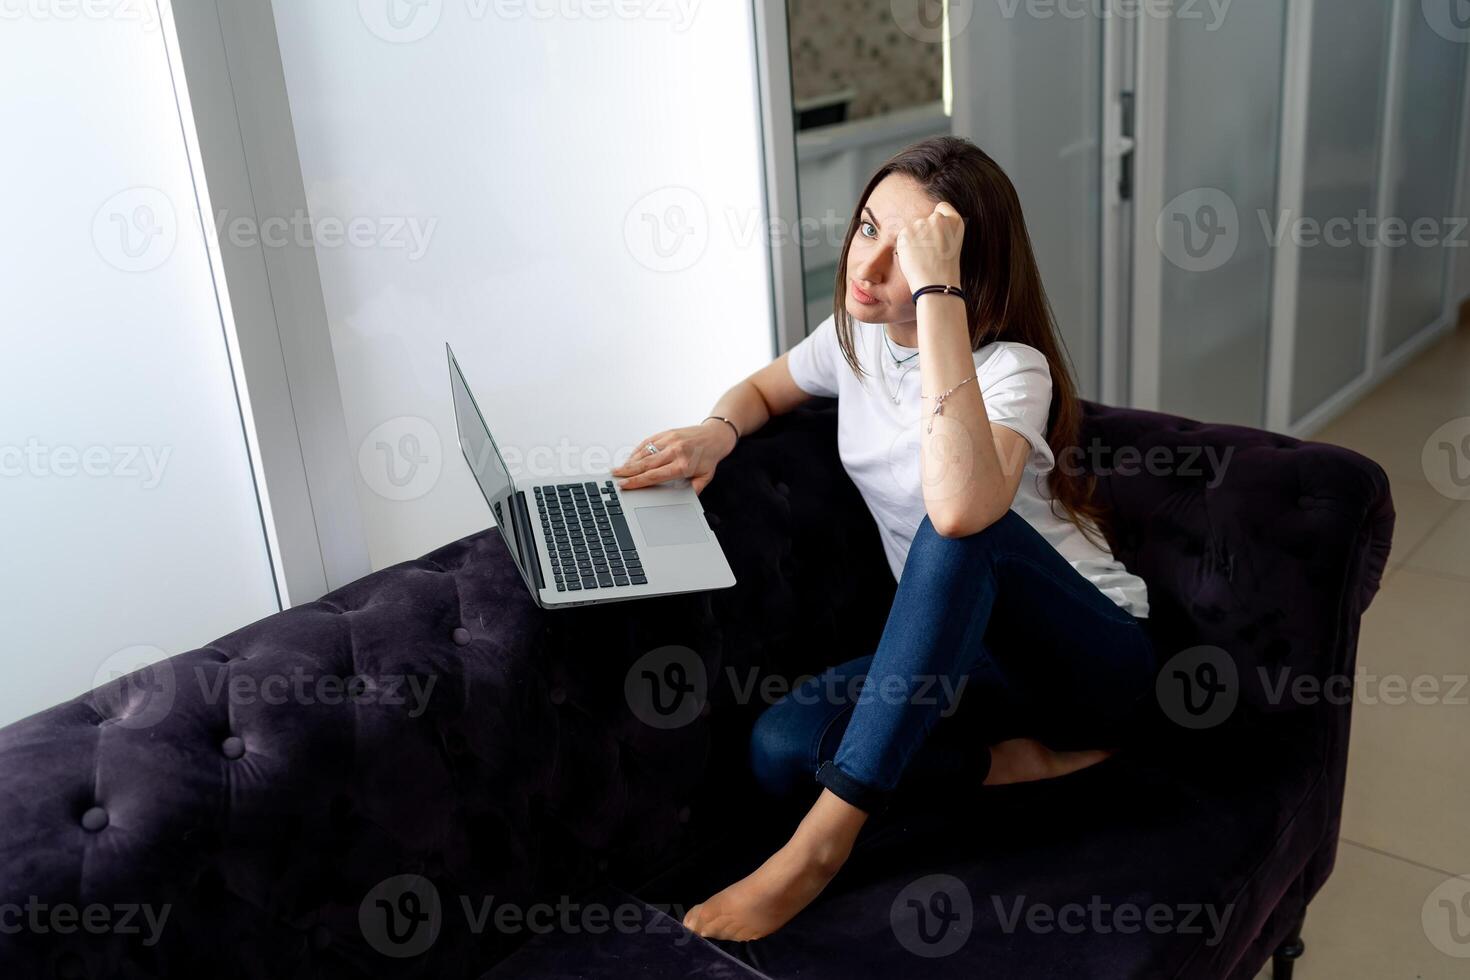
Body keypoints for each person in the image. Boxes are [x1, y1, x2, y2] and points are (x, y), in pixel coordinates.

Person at [610, 135, 1155, 942]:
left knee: (960, 526)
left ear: (958, 271)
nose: (865, 269)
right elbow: (764, 386)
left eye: (907, 251)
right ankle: (1009, 764)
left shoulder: (1013, 370)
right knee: (781, 747)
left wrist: (939, 294)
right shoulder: (854, 338)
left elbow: (964, 510)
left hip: (1088, 660)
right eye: (867, 229)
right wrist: (717, 430)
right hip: (968, 664)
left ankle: (819, 850)